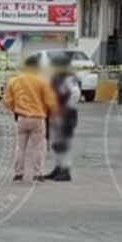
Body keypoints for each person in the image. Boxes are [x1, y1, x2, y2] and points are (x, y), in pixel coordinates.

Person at [3, 55, 58, 182]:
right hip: (38, 118)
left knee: (20, 146)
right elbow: (51, 102)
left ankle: (18, 174)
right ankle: (37, 174)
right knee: (38, 147)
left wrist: (16, 109)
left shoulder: (14, 81)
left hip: (21, 118)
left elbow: (7, 101)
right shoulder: (42, 81)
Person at [46, 53, 81, 182]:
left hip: (67, 113)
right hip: (57, 113)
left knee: (65, 143)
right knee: (57, 143)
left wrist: (67, 108)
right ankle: (58, 167)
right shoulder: (57, 77)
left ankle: (65, 170)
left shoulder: (68, 78)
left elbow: (75, 93)